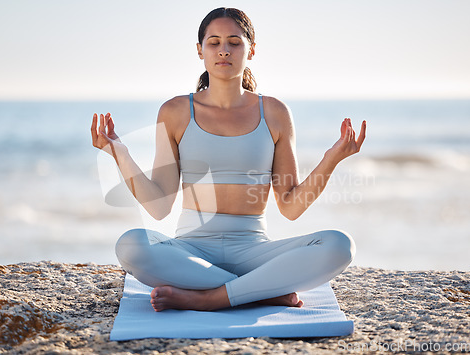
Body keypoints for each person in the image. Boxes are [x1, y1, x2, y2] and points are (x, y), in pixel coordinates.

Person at [91, 7, 366, 312]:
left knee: (340, 245)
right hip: (191, 250)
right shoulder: (175, 111)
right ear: (200, 51)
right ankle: (258, 291)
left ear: (251, 50)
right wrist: (120, 154)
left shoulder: (274, 113)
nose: (224, 50)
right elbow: (158, 206)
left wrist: (331, 159)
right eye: (214, 42)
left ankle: (210, 298)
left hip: (254, 250)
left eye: (234, 42)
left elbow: (290, 206)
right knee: (130, 244)